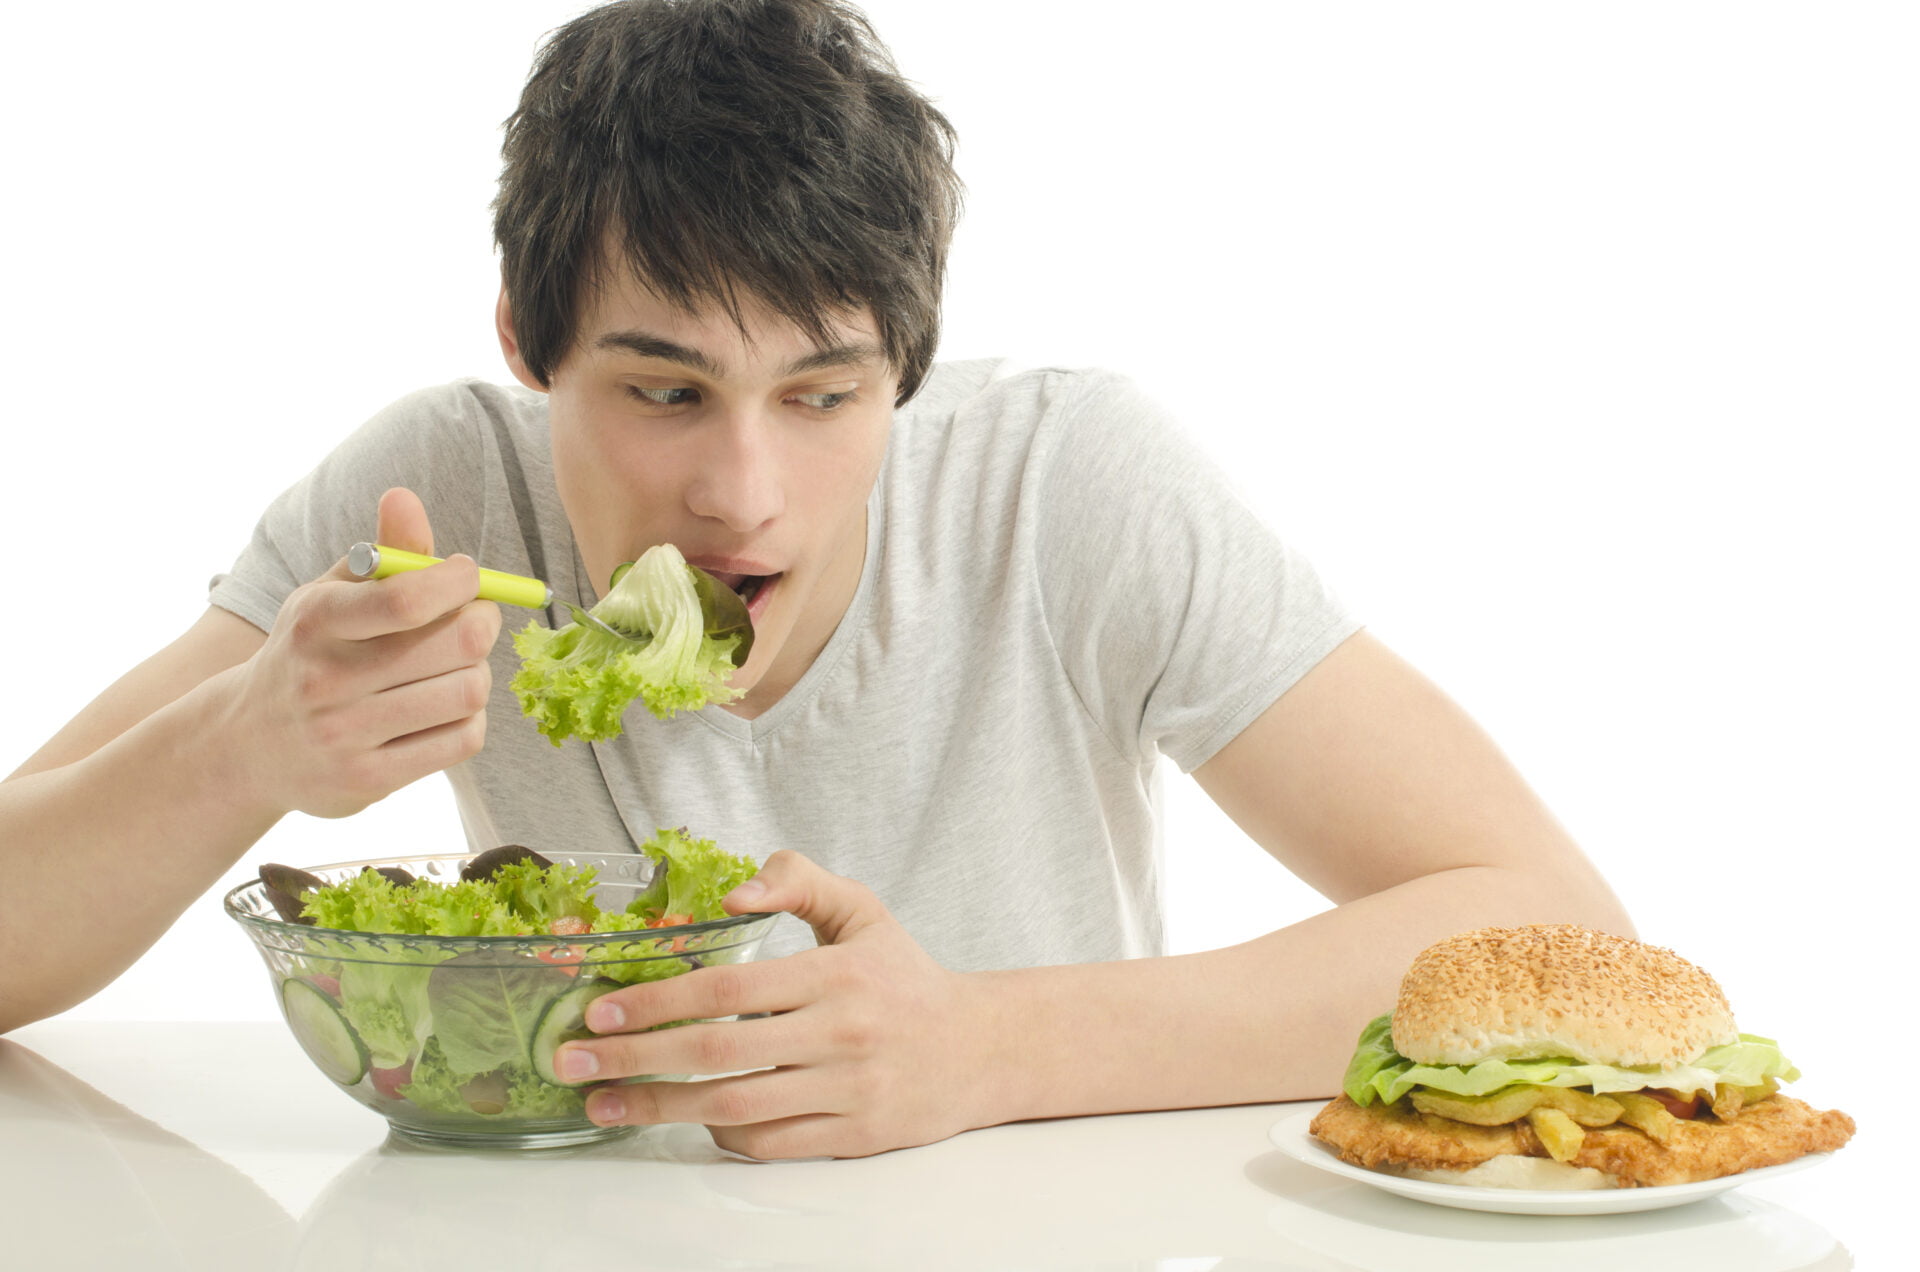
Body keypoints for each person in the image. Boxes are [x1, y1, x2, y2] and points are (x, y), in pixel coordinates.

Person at [0, 0, 1630, 1159]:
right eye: (661, 391)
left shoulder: (1068, 486)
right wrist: (239, 752)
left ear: (906, 367)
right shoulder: (441, 501)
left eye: (825, 393)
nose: (742, 496)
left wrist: (990, 1049)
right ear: (526, 341)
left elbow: (1562, 933)